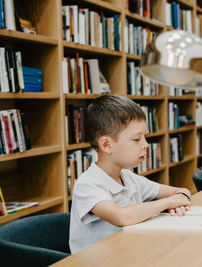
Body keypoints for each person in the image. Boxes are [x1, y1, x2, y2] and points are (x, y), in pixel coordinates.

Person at [69, 95, 191, 253]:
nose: (146, 145)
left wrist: (181, 199)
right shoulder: (87, 185)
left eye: (144, 137)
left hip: (129, 253)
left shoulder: (129, 178)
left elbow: (179, 191)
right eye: (136, 139)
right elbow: (122, 217)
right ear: (106, 144)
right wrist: (169, 203)